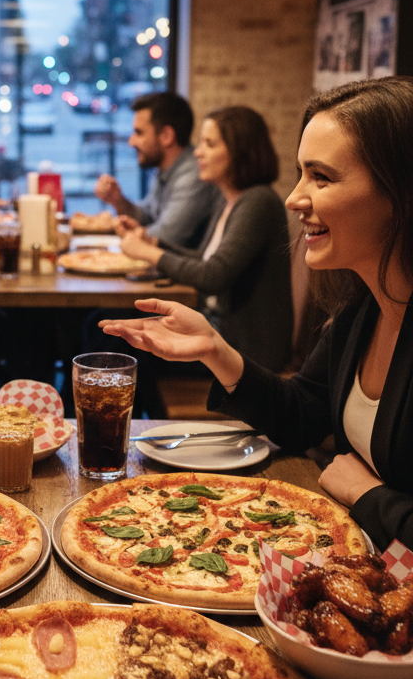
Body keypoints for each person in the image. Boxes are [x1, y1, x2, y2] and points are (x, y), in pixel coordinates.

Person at [99, 77, 413, 551]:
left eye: (321, 177)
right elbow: (302, 414)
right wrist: (214, 350)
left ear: (400, 193)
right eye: (300, 173)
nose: (294, 197)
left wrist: (371, 497)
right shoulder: (362, 306)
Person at [118, 105, 293, 372]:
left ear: (240, 151)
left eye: (209, 144)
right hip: (218, 331)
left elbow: (212, 276)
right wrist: (155, 244)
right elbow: (203, 259)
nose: (197, 152)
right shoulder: (230, 199)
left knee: (127, 344)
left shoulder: (258, 201)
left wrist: (147, 253)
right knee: (111, 325)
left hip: (245, 351)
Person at [95, 92, 219, 250]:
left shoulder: (194, 175)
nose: (131, 141)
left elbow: (164, 238)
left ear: (166, 136)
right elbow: (147, 216)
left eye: (139, 133)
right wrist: (118, 200)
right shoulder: (164, 168)